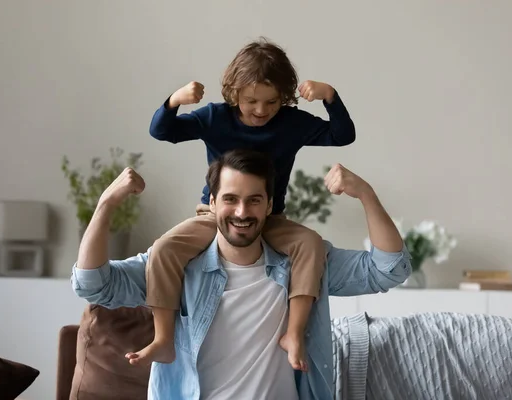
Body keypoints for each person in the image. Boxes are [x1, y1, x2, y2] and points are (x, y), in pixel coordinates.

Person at [71, 149, 412, 400]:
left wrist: (366, 195)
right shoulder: (178, 265)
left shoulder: (303, 263)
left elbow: (389, 270)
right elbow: (94, 285)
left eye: (253, 201)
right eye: (231, 199)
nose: (241, 212)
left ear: (268, 205)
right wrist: (105, 205)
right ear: (213, 203)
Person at [139, 37, 357, 371]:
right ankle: (163, 338)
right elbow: (161, 131)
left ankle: (294, 334)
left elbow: (342, 135)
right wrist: (174, 101)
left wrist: (329, 95)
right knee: (164, 248)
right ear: (233, 92)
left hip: (271, 219)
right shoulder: (215, 117)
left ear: (283, 98)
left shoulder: (292, 123)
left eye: (271, 102)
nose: (260, 110)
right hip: (216, 217)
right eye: (251, 100)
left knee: (311, 244)